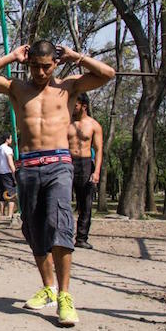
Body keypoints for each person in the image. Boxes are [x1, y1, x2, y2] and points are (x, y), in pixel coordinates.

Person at [0, 40, 115, 326]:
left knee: (60, 225)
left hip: (59, 165)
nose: (40, 72)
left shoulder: (68, 87)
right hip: (27, 168)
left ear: (55, 64)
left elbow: (107, 74)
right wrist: (11, 56)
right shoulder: (17, 88)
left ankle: (65, 295)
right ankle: (49, 287)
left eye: (46, 66)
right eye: (35, 66)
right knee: (34, 230)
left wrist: (77, 56)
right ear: (28, 64)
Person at [68, 93, 103, 250]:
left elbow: (99, 149)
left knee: (85, 203)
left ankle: (81, 238)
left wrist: (96, 172)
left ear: (84, 106)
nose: (73, 108)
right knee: (61, 200)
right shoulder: (66, 123)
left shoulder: (94, 125)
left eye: (75, 105)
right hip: (67, 163)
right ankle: (63, 235)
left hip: (85, 164)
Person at [0, 133, 18, 226]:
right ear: (7, 139)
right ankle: (9, 215)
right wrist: (14, 173)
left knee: (2, 194)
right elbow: (10, 162)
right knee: (11, 194)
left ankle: (2, 214)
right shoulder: (8, 149)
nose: (11, 140)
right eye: (11, 138)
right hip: (7, 173)